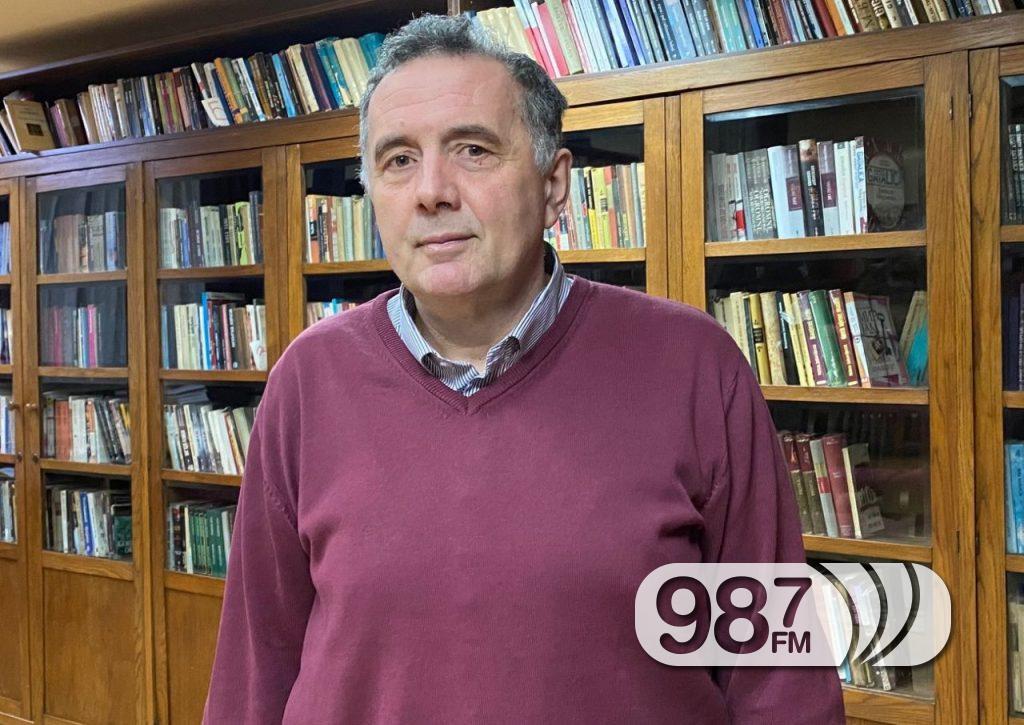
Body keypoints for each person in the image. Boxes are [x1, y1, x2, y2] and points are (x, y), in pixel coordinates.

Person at [203, 13, 845, 724]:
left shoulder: (696, 367)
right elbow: (254, 671)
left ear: (554, 184)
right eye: (398, 160)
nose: (432, 190)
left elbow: (781, 681)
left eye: (473, 150)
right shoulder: (308, 380)